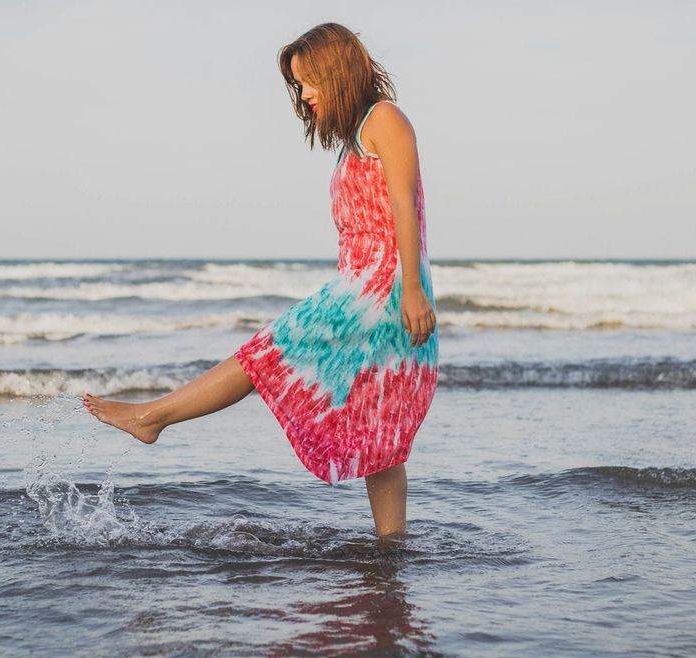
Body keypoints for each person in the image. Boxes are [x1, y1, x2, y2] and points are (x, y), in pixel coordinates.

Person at [83, 22, 439, 538]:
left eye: (310, 80)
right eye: (298, 85)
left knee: (266, 353)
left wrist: (409, 289)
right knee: (376, 426)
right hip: (364, 284)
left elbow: (405, 203)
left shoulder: (385, 120)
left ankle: (153, 417)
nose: (305, 94)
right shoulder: (356, 135)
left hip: (377, 289)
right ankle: (392, 547)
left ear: (337, 70)